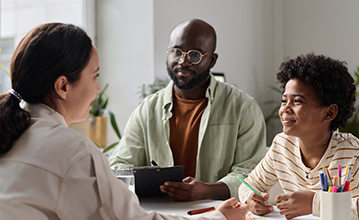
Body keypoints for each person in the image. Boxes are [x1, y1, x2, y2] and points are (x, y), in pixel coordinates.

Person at [0, 23, 249, 220]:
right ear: (63, 86)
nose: (98, 88)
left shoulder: (13, 131)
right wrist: (220, 217)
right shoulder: (72, 150)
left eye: (194, 55)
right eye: (95, 75)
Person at [109, 19, 266, 201]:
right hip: (159, 211)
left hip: (219, 212)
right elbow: (120, 165)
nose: (183, 62)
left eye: (194, 55)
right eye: (176, 52)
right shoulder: (147, 109)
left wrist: (208, 191)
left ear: (212, 60)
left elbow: (251, 173)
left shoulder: (243, 107)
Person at [238, 54, 359, 219]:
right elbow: (248, 185)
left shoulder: (353, 155)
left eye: (297, 101)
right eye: (284, 100)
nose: (285, 109)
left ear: (329, 113)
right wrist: (250, 199)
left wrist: (315, 203)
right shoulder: (282, 146)